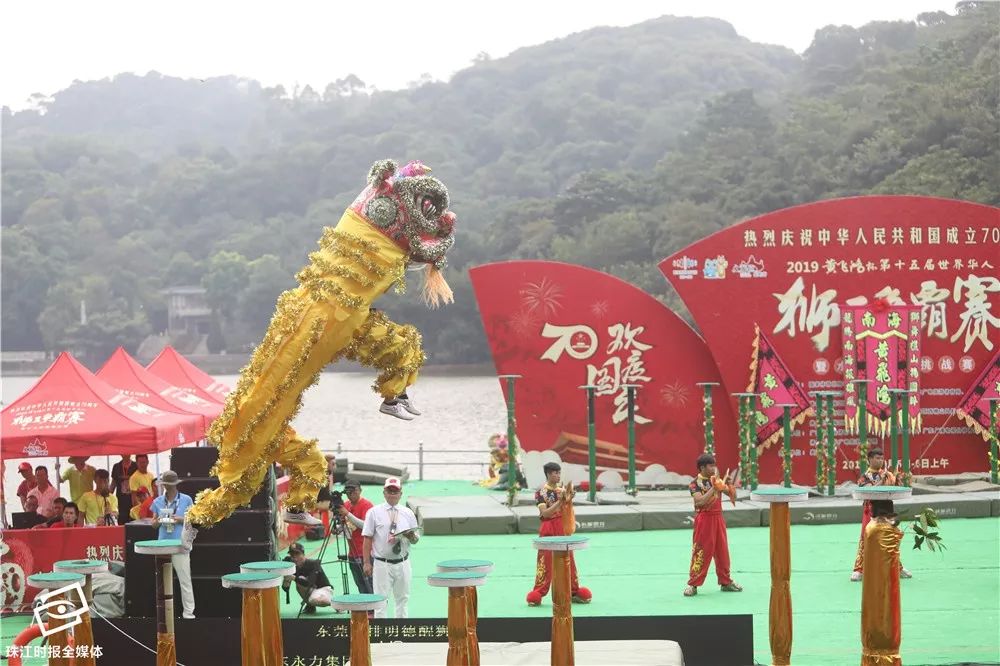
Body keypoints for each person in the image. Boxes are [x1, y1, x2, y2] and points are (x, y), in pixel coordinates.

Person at [181, 160, 458, 549]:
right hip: (307, 340)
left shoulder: (351, 291)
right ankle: (198, 518)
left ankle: (393, 395)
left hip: (344, 320)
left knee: (403, 346)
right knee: (267, 457)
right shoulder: (313, 305)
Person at [526, 462, 593, 606]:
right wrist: (560, 502)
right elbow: (545, 513)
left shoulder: (562, 490)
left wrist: (568, 500)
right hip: (548, 528)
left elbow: (565, 509)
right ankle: (538, 591)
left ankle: (574, 591)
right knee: (545, 561)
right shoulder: (540, 493)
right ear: (549, 474)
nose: (558, 475)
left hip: (562, 527)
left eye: (559, 473)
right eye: (555, 473)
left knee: (569, 559)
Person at [683, 454, 742, 597]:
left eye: (714, 465)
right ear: (702, 467)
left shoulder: (717, 481)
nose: (714, 468)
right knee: (701, 552)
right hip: (704, 521)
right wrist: (714, 488)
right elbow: (700, 502)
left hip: (718, 519)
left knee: (723, 552)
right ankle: (693, 585)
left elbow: (733, 496)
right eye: (711, 466)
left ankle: (726, 582)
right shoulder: (694, 484)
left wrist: (728, 485)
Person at [851, 448, 912, 581]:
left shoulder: (888, 474)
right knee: (866, 538)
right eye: (877, 458)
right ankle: (859, 570)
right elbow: (869, 491)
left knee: (890, 537)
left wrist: (899, 479)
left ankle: (897, 568)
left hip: (887, 510)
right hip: (871, 510)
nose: (880, 461)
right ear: (870, 460)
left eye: (881, 458)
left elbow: (897, 488)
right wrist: (881, 480)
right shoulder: (864, 476)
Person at [362, 477, 419, 618]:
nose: (392, 493)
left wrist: (412, 536)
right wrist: (367, 563)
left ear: (401, 493)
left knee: (403, 599)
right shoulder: (373, 512)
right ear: (384, 492)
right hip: (382, 563)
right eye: (390, 490)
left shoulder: (408, 513)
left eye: (395, 491)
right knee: (380, 601)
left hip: (403, 562)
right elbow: (367, 538)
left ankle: (400, 632)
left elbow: (415, 539)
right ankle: (382, 635)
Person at [150, 470, 196, 618]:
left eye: (168, 484)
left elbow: (194, 520)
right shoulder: (157, 501)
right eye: (165, 484)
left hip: (180, 544)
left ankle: (188, 613)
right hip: (162, 545)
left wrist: (180, 519)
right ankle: (163, 613)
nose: (166, 487)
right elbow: (153, 524)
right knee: (163, 582)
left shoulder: (187, 500)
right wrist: (157, 521)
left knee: (184, 579)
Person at [338, 480, 374, 594]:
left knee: (370, 583)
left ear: (360, 491)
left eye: (354, 491)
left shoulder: (367, 505)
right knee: (360, 584)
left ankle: (374, 609)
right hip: (352, 552)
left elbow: (366, 526)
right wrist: (338, 528)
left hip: (365, 552)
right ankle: (365, 610)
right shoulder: (346, 505)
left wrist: (347, 514)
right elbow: (346, 526)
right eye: (348, 492)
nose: (351, 494)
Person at [282, 542, 334, 614]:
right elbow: (285, 588)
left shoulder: (313, 563)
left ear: (303, 554)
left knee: (314, 599)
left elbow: (310, 583)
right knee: (299, 582)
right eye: (292, 555)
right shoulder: (292, 565)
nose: (295, 558)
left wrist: (294, 578)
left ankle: (336, 603)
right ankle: (310, 606)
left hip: (324, 589)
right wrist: (286, 580)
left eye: (297, 554)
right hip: (312, 590)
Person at [111, 454, 137, 526]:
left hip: (133, 500)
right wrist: (108, 496)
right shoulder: (116, 466)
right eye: (123, 452)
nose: (125, 454)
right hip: (120, 500)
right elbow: (113, 483)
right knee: (122, 522)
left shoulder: (136, 465)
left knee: (134, 522)